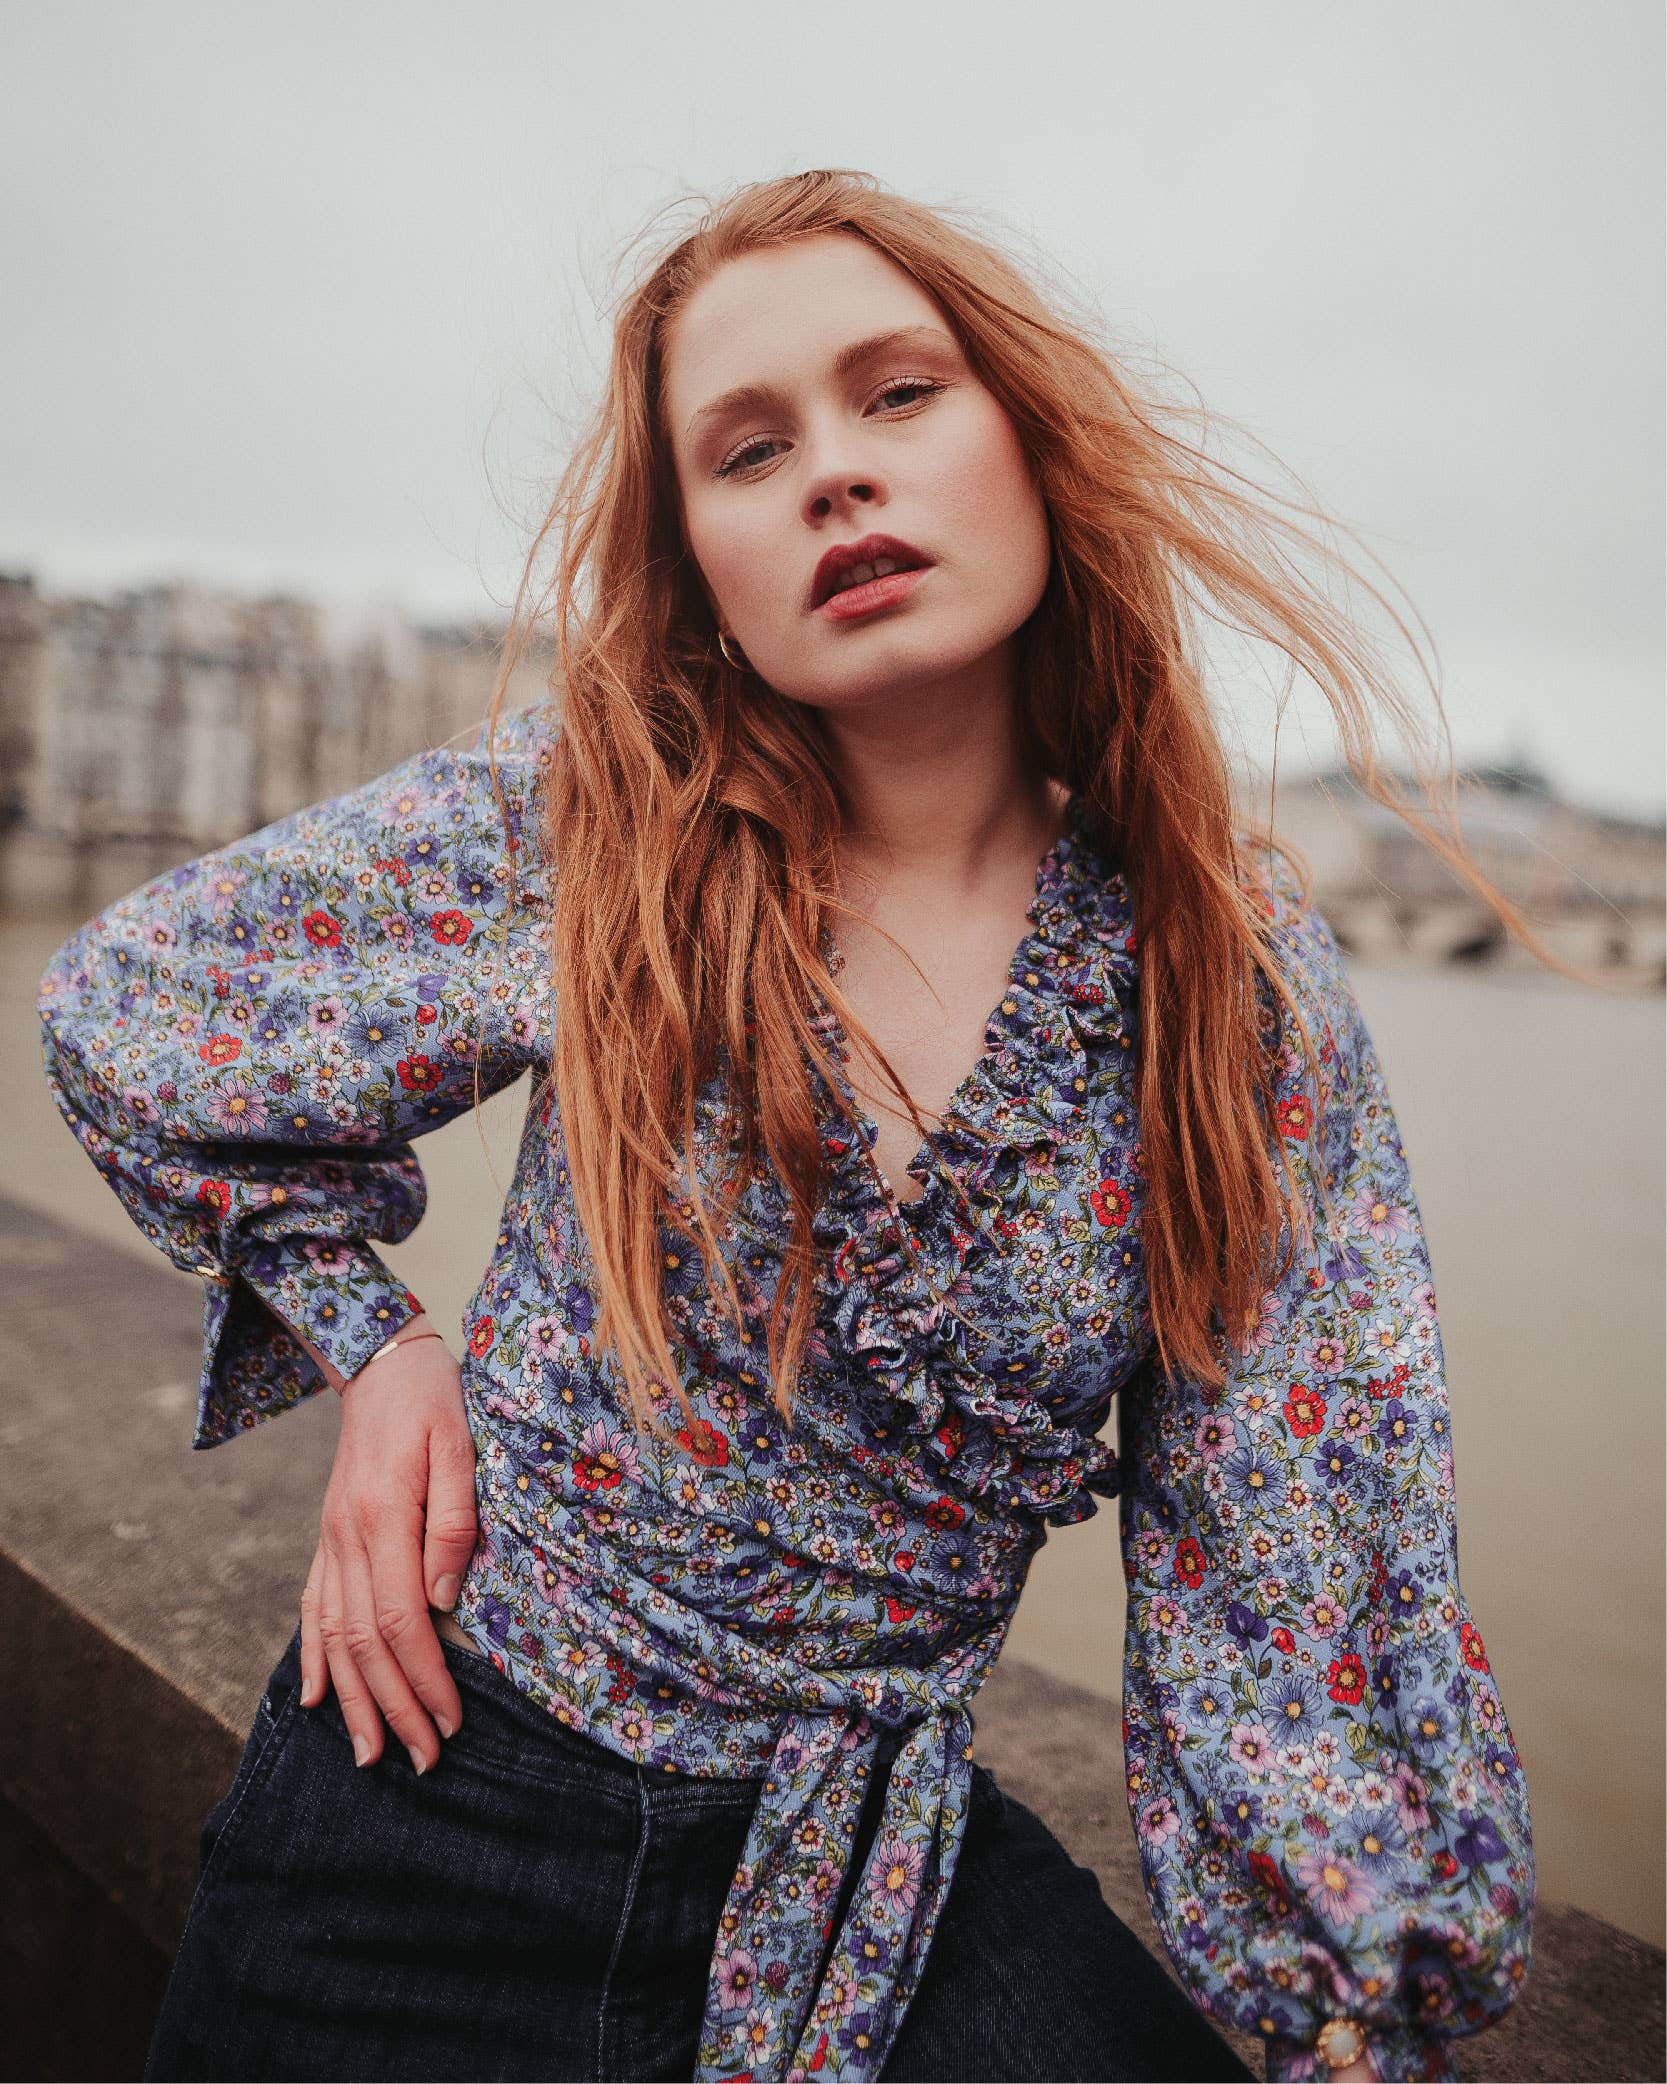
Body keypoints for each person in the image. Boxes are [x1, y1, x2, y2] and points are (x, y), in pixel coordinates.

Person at [37, 169, 1534, 2083]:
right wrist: (377, 1343)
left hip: (873, 1880)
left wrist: (1350, 2004)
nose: (836, 472)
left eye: (899, 394)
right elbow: (142, 1014)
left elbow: (1297, 1552)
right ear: (703, 572)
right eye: (749, 452)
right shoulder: (606, 826)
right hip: (424, 1806)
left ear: (1031, 444)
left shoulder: (1221, 982)